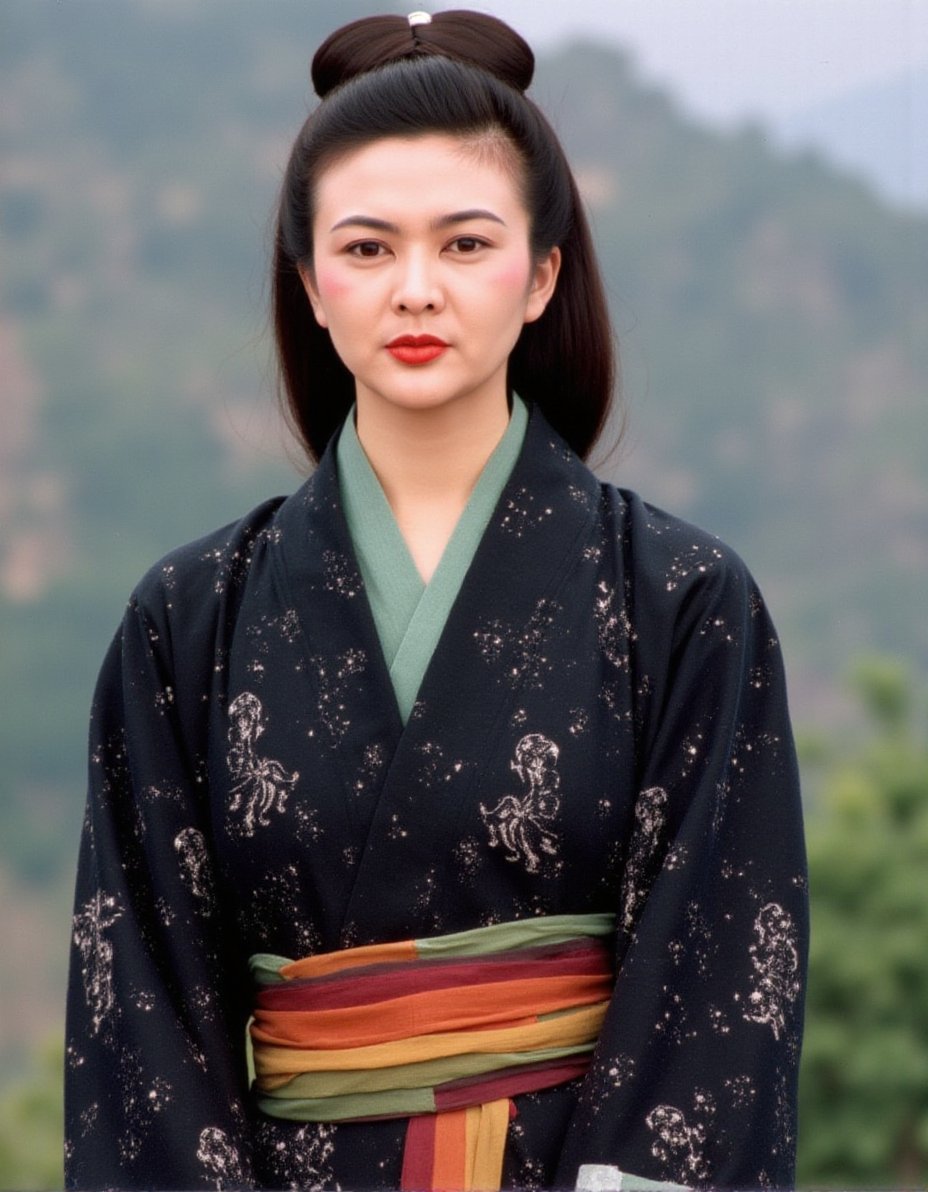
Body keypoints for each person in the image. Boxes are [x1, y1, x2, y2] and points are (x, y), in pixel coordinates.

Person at [64, 10, 807, 1191]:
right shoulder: (187, 617)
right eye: (365, 250)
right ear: (309, 284)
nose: (415, 289)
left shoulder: (680, 600)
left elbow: (722, 991)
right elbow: (138, 1007)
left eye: (465, 245)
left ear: (541, 274)